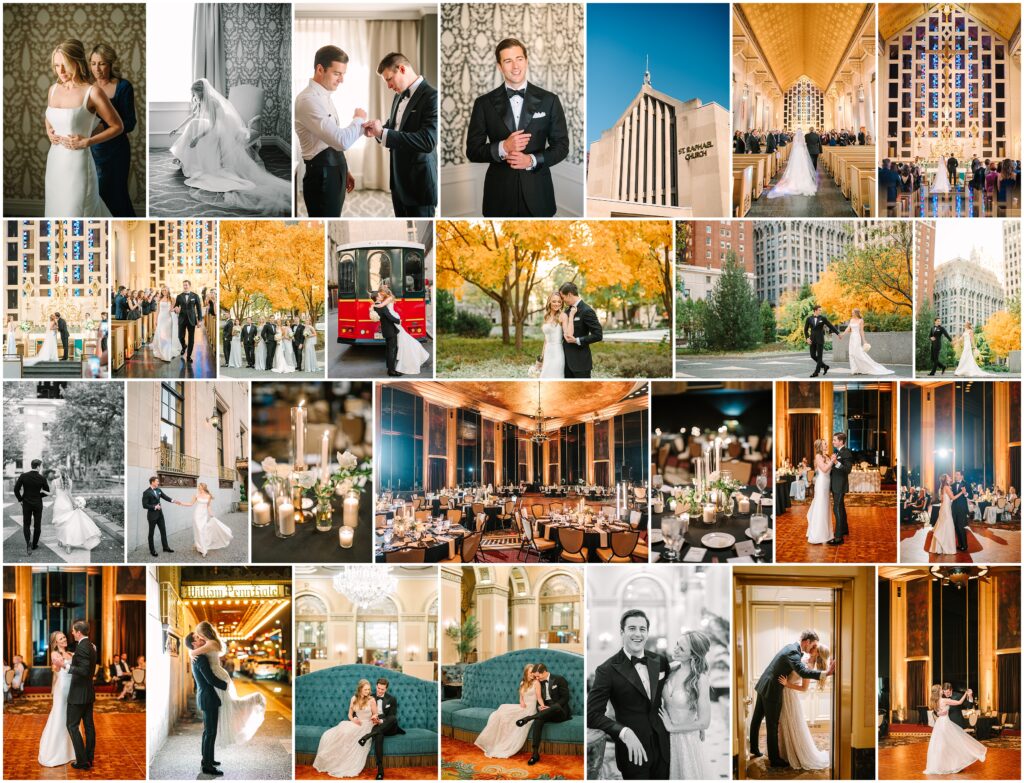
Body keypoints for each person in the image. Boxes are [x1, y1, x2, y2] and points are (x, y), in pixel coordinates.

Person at [465, 37, 569, 217]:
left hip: (539, 194)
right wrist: (503, 147)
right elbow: (472, 151)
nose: (515, 66)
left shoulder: (550, 100)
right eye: (508, 61)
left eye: (519, 59)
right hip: (499, 195)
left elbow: (562, 146)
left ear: (526, 61)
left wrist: (532, 160)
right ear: (499, 66)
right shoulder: (483, 104)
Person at [168, 79, 290, 215]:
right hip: (207, 125)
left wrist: (198, 137)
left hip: (216, 129)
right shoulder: (199, 101)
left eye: (195, 94)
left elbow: (213, 125)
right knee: (193, 125)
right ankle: (184, 159)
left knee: (195, 130)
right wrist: (177, 128)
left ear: (201, 92)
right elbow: (192, 115)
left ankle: (189, 159)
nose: (194, 97)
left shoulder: (212, 103)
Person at [588, 609, 671, 779]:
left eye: (642, 629)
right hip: (633, 751)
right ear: (622, 632)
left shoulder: (660, 660)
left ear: (647, 633)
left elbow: (673, 692)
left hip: (664, 745)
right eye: (632, 628)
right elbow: (592, 715)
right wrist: (624, 731)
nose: (637, 634)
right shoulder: (606, 670)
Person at [45, 39, 120, 217]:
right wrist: (48, 131)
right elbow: (50, 117)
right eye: (56, 66)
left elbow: (117, 126)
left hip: (78, 165)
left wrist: (88, 141)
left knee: (78, 213)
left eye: (65, 65)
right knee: (56, 212)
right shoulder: (53, 89)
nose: (60, 71)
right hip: (55, 162)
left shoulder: (92, 92)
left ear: (77, 62)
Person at [364, 52, 438, 217]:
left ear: (402, 69)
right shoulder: (398, 96)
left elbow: (427, 141)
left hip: (419, 186)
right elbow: (393, 127)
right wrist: (376, 131)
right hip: (397, 183)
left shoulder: (432, 97)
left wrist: (383, 133)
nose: (389, 86)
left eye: (389, 79)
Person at [295, 45, 366, 217]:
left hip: (333, 171)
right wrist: (359, 119)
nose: (341, 80)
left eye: (343, 74)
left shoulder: (324, 96)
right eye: (337, 73)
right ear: (320, 69)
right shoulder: (308, 100)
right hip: (322, 177)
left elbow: (331, 138)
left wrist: (343, 169)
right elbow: (341, 140)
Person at [749, 630, 834, 768]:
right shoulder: (793, 653)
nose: (812, 648)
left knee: (757, 718)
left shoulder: (790, 648)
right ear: (806, 642)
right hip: (773, 690)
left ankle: (753, 747)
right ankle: (775, 760)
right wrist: (826, 673)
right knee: (772, 725)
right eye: (813, 645)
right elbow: (802, 672)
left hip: (764, 685)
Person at [188, 622, 266, 749]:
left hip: (217, 675)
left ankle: (254, 700)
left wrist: (191, 654)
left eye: (199, 634)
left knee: (227, 705)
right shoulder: (212, 643)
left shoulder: (211, 643)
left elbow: (193, 653)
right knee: (227, 706)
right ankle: (208, 759)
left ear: (203, 633)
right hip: (218, 674)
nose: (198, 637)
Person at [88, 43, 136, 216]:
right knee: (96, 195)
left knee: (117, 195)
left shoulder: (123, 87)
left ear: (110, 64)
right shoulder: (88, 88)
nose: (97, 68)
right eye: (93, 63)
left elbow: (130, 122)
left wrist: (104, 125)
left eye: (102, 63)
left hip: (117, 151)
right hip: (94, 149)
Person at [658, 631, 712, 779]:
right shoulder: (671, 668)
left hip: (686, 740)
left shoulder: (700, 680)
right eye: (677, 644)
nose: (675, 649)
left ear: (693, 655)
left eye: (681, 649)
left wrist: (672, 727)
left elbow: (705, 722)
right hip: (665, 737)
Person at [775, 644, 831, 770]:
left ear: (817, 653)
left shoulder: (809, 667)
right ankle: (785, 753)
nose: (813, 646)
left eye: (815, 647)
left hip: (790, 695)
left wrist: (787, 684)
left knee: (791, 724)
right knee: (784, 724)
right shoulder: (803, 658)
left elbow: (804, 688)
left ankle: (796, 753)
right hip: (784, 693)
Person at [313, 679, 378, 777]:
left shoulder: (371, 700)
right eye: (365, 690)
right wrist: (354, 720)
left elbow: (376, 713)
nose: (368, 692)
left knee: (349, 735)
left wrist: (374, 717)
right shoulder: (354, 699)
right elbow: (350, 714)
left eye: (369, 690)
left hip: (367, 725)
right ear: (360, 689)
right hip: (356, 723)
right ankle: (332, 759)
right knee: (336, 732)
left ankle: (346, 764)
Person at [475, 664, 543, 758]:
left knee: (505, 714)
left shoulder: (536, 683)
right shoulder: (522, 683)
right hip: (522, 707)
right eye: (530, 672)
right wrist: (522, 702)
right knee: (501, 710)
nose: (532, 674)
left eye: (533, 672)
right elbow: (521, 698)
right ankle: (493, 741)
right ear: (526, 673)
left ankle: (503, 745)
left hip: (530, 710)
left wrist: (543, 706)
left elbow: (539, 698)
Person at [185, 630, 227, 776]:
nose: (200, 638)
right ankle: (208, 766)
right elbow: (210, 679)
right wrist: (226, 684)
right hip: (208, 697)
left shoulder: (196, 656)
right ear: (194, 644)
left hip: (205, 697)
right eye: (197, 637)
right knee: (210, 732)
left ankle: (207, 759)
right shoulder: (200, 658)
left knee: (207, 731)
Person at [512, 663, 571, 765]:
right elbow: (538, 699)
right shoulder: (538, 682)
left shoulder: (559, 679)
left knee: (555, 707)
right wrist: (540, 707)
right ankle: (535, 754)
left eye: (538, 676)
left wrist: (552, 707)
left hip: (560, 712)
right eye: (535, 676)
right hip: (546, 711)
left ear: (544, 673)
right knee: (538, 720)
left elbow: (565, 698)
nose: (536, 678)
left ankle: (528, 718)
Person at [924, 684, 986, 774]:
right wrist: (965, 693)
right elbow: (959, 703)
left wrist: (969, 696)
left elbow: (968, 705)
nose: (944, 692)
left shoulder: (934, 700)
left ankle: (948, 764)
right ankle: (950, 765)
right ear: (940, 691)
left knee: (942, 745)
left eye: (946, 690)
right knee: (946, 746)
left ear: (951, 689)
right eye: (942, 690)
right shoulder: (943, 699)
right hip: (946, 724)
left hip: (943, 724)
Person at [38, 631, 76, 767]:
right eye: (61, 638)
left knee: (71, 718)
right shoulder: (55, 654)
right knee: (60, 716)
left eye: (65, 637)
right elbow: (59, 668)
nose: (64, 639)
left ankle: (70, 751)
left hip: (73, 689)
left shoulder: (71, 653)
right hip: (62, 689)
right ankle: (54, 752)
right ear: (56, 642)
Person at [358, 677, 405, 780]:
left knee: (393, 718)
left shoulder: (391, 699)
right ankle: (380, 770)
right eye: (378, 688)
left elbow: (392, 715)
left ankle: (367, 736)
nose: (379, 691)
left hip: (389, 727)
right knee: (379, 735)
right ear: (376, 686)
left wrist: (381, 721)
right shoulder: (370, 697)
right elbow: (359, 708)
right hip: (376, 726)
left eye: (382, 689)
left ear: (386, 689)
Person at [377, 285, 429, 375]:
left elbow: (381, 306)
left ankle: (393, 368)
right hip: (392, 323)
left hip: (393, 322)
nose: (380, 295)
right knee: (394, 346)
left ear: (385, 292)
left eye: (381, 293)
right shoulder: (386, 299)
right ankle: (391, 368)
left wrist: (374, 303)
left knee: (395, 346)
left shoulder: (389, 298)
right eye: (380, 294)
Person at [65, 620, 96, 770]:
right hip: (88, 693)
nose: (71, 633)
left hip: (78, 694)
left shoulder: (83, 646)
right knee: (89, 727)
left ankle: (83, 761)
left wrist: (67, 666)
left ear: (78, 632)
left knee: (71, 725)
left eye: (73, 631)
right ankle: (89, 758)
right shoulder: (90, 645)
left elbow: (83, 670)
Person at [50, 467, 101, 554]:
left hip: (58, 505)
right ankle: (68, 546)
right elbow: (69, 494)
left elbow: (51, 494)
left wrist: (43, 491)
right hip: (67, 505)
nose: (56, 472)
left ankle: (60, 541)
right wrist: (74, 504)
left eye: (57, 471)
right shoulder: (69, 481)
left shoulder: (54, 482)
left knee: (59, 523)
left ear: (59, 472)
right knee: (68, 525)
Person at [558, 282, 602, 378]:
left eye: (563, 297)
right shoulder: (566, 311)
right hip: (565, 364)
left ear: (569, 294)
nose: (562, 300)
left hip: (580, 364)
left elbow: (598, 335)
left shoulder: (587, 311)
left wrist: (577, 340)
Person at [179, 483, 233, 558]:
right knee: (198, 530)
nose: (199, 488)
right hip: (197, 514)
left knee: (202, 530)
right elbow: (190, 504)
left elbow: (208, 506)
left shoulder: (208, 496)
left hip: (204, 515)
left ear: (203, 487)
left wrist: (211, 514)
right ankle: (203, 550)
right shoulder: (196, 495)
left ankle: (199, 545)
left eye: (200, 487)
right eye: (198, 487)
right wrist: (181, 503)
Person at [767, 128, 818, 198]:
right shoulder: (803, 137)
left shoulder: (795, 137)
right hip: (801, 153)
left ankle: (793, 181)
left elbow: (794, 146)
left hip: (796, 152)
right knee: (803, 166)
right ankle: (804, 181)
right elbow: (804, 145)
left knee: (795, 166)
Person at [14, 459, 50, 555]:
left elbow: (16, 489)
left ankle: (28, 543)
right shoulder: (42, 478)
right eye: (40, 466)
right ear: (38, 466)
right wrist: (39, 496)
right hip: (38, 503)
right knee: (37, 524)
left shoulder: (23, 476)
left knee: (26, 524)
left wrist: (20, 499)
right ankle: (34, 545)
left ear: (32, 466)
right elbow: (47, 492)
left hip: (26, 503)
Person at [843, 308, 894, 375]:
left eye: (853, 312)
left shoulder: (861, 320)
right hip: (852, 338)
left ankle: (867, 367)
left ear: (856, 313)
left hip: (857, 337)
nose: (852, 313)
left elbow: (861, 331)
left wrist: (864, 340)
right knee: (851, 353)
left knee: (858, 353)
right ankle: (855, 370)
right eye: (852, 312)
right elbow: (848, 328)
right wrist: (843, 334)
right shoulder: (851, 320)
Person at [828, 432, 853, 546]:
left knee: (836, 508)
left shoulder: (846, 452)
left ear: (841, 442)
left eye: (834, 440)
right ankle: (844, 529)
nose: (833, 442)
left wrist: (836, 462)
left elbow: (848, 470)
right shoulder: (837, 452)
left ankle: (838, 537)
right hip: (836, 484)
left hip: (840, 484)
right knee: (840, 507)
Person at [142, 476, 178, 557]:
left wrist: (174, 501)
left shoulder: (158, 490)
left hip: (160, 515)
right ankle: (152, 550)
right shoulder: (146, 492)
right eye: (157, 481)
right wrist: (155, 507)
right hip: (152, 516)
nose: (158, 482)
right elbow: (144, 505)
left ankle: (165, 547)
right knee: (151, 534)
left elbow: (165, 497)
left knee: (163, 531)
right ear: (152, 482)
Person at [806, 439, 833, 545]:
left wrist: (832, 460)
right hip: (821, 483)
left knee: (825, 506)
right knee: (821, 506)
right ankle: (818, 534)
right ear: (820, 447)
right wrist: (832, 461)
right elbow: (825, 469)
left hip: (827, 484)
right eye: (825, 444)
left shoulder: (826, 456)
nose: (827, 445)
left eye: (826, 443)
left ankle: (826, 533)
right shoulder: (818, 456)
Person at [538, 291, 570, 377]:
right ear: (549, 302)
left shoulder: (563, 316)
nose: (557, 304)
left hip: (557, 353)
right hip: (548, 352)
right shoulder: (546, 317)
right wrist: (541, 358)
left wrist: (572, 315)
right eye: (554, 301)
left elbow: (567, 334)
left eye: (559, 301)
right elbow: (545, 340)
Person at [803, 305, 840, 377]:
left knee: (819, 357)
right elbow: (805, 330)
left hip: (820, 339)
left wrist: (838, 333)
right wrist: (807, 338)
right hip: (812, 339)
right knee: (812, 355)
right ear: (815, 310)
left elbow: (830, 326)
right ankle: (825, 366)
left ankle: (816, 372)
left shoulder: (823, 318)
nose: (821, 311)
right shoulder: (809, 319)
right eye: (819, 310)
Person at [174, 280, 203, 364]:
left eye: (186, 285)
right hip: (182, 318)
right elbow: (176, 305)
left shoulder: (195, 296)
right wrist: (176, 309)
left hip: (191, 319)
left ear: (190, 285)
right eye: (184, 285)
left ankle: (188, 356)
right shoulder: (179, 296)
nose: (185, 286)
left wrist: (200, 320)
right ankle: (184, 346)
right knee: (180, 336)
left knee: (191, 339)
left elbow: (199, 308)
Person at [929, 474, 958, 555]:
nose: (950, 477)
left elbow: (942, 500)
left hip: (944, 508)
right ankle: (947, 547)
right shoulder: (946, 487)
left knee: (943, 526)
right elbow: (953, 498)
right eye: (949, 477)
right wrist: (962, 493)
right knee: (948, 526)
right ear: (946, 479)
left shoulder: (942, 487)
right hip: (946, 509)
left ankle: (939, 547)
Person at [151, 286, 181, 362]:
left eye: (165, 290)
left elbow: (173, 309)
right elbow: (157, 310)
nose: (164, 291)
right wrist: (155, 319)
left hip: (168, 318)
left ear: (168, 290)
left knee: (167, 335)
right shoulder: (159, 299)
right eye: (163, 290)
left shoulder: (172, 299)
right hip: (161, 318)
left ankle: (167, 352)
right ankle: (161, 350)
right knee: (161, 334)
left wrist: (175, 309)